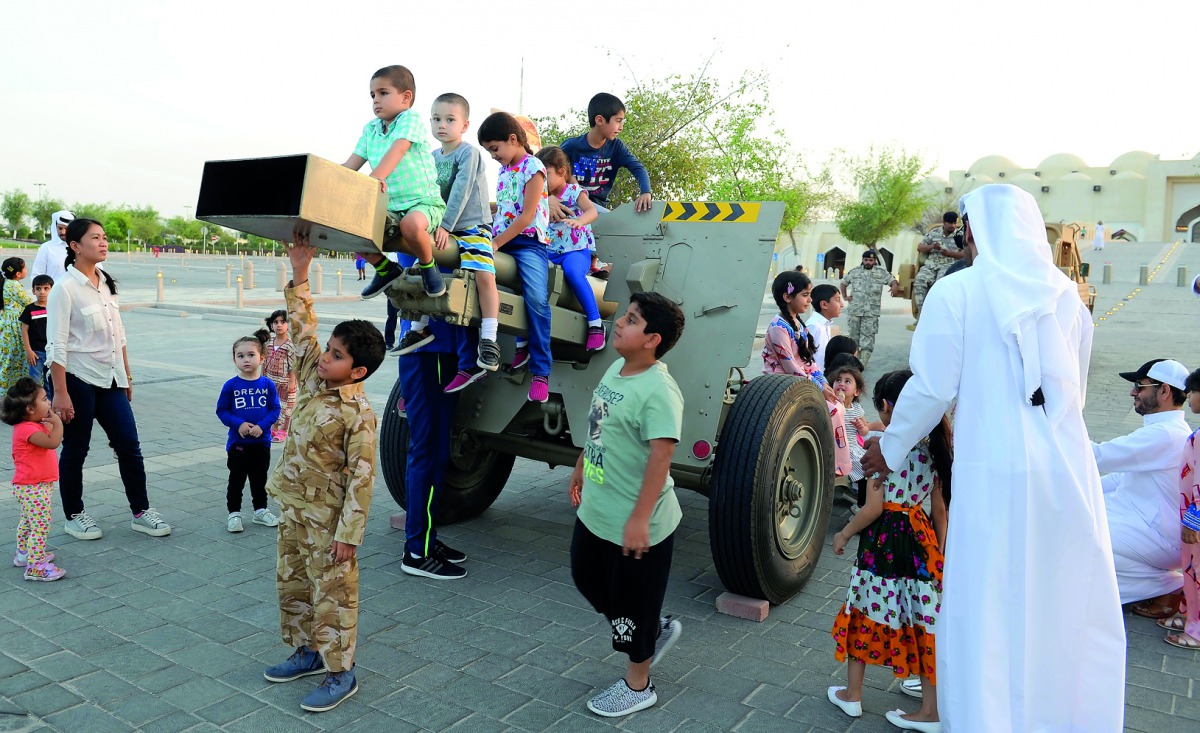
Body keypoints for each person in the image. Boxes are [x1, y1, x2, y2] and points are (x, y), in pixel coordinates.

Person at [861, 184, 1125, 730]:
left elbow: (931, 387)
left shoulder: (958, 292)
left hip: (993, 470)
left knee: (988, 597)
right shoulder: (1066, 296)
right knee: (1055, 593)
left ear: (977, 232)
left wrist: (889, 447)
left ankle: (986, 716)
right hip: (1064, 469)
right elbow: (1070, 392)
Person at [262, 233, 385, 713]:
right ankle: (308, 651)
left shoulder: (359, 414)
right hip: (294, 507)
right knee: (292, 583)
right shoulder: (315, 376)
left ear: (358, 372)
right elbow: (303, 328)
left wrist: (349, 534)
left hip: (330, 522)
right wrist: (299, 271)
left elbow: (362, 477)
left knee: (333, 593)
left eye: (337, 355)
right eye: (330, 350)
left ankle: (341, 671)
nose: (326, 356)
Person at [569, 291, 686, 718]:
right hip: (597, 512)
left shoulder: (660, 390)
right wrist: (582, 460)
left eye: (632, 320)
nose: (619, 322)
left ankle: (640, 684)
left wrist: (639, 518)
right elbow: (599, 423)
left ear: (652, 339)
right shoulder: (618, 367)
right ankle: (649, 630)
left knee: (631, 608)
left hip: (641, 526)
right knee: (587, 579)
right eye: (624, 316)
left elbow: (662, 456)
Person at [828, 369, 948, 732]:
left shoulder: (882, 443)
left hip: (884, 542)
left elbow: (873, 508)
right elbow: (940, 509)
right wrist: (940, 552)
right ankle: (931, 709)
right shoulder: (937, 445)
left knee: (864, 608)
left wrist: (844, 533)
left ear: (884, 405)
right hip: (921, 538)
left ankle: (853, 695)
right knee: (923, 618)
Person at [47, 219, 172, 541]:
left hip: (112, 378)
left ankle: (141, 511)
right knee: (77, 448)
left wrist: (127, 375)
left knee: (129, 446)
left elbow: (120, 335)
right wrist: (60, 393)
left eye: (104, 238)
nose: (103, 243)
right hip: (78, 379)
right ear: (75, 246)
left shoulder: (106, 283)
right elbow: (57, 345)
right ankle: (74, 515)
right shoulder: (64, 288)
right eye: (95, 238)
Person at [397, 92, 502, 387]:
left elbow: (462, 191)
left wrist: (443, 224)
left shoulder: (469, 153)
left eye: (450, 119)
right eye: (437, 119)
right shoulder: (431, 157)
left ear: (465, 125)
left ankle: (489, 338)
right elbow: (428, 192)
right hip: (443, 225)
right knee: (422, 268)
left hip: (471, 226)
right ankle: (420, 326)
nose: (442, 125)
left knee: (484, 275)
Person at [395, 251, 473, 580]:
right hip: (429, 353)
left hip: (442, 352)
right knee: (426, 452)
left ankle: (427, 538)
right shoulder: (422, 227)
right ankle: (417, 550)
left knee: (437, 452)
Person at [341, 65, 448, 301]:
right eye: (372, 95)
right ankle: (384, 268)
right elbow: (351, 164)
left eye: (383, 93)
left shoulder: (409, 119)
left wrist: (375, 178)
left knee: (411, 225)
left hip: (422, 203)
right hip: (389, 206)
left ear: (406, 97)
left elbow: (398, 149)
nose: (376, 100)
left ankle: (428, 266)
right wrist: (327, 182)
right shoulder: (371, 129)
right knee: (344, 223)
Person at [1091, 358, 1191, 611]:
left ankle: (1168, 586)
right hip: (1140, 523)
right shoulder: (1164, 431)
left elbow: (1097, 456)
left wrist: (1055, 425)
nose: (1132, 392)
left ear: (1164, 391)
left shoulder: (1166, 434)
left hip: (1157, 534)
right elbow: (1119, 478)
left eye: (1140, 385)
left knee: (1077, 532)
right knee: (1066, 519)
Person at [477, 111, 553, 403]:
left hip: (527, 243)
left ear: (512, 139)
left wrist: (496, 243)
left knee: (536, 300)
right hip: (501, 239)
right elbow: (504, 208)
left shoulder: (533, 167)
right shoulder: (504, 169)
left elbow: (527, 215)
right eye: (489, 151)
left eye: (495, 149)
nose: (494, 156)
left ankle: (541, 372)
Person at [763, 271, 849, 477]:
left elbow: (808, 361)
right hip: (782, 384)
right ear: (787, 297)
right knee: (833, 410)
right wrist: (819, 388)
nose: (810, 300)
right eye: (804, 294)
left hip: (799, 382)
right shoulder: (778, 328)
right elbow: (791, 366)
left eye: (809, 294)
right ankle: (832, 465)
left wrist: (824, 384)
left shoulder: (798, 325)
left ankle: (837, 464)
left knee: (837, 405)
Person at [536, 145, 605, 351]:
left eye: (546, 174)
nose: (542, 181)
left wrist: (580, 221)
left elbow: (592, 211)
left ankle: (595, 324)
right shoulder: (540, 196)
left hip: (575, 249)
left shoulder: (574, 191)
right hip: (550, 250)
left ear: (562, 172)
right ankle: (523, 340)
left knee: (574, 274)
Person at [215, 336, 281, 533]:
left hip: (261, 442)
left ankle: (260, 510)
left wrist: (263, 425)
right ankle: (234, 514)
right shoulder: (230, 386)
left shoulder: (267, 385)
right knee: (236, 480)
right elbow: (222, 410)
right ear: (234, 359)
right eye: (240, 355)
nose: (246, 359)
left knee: (259, 479)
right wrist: (239, 424)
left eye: (251, 355)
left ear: (261, 358)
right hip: (238, 444)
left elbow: (275, 409)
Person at [3, 377, 65, 581]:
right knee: (40, 524)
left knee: (29, 521)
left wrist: (48, 421)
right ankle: (36, 565)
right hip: (33, 487)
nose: (49, 403)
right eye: (45, 399)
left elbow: (47, 434)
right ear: (30, 409)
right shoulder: (27, 429)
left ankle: (24, 554)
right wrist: (57, 423)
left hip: (34, 485)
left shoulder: (32, 425)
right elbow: (53, 442)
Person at [558, 93, 652, 213]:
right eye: (618, 121)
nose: (621, 127)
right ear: (599, 120)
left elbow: (638, 168)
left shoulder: (616, 147)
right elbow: (549, 172)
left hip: (598, 210)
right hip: (570, 206)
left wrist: (646, 192)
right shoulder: (571, 147)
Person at [1161, 367, 1200, 648]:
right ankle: (1190, 615)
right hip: (1189, 513)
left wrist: (1194, 520)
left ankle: (1197, 630)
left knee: (1198, 570)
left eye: (1193, 392)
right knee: (1191, 568)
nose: (1189, 397)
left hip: (1195, 518)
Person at [839, 250, 900, 368]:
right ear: (862, 260)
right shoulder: (855, 272)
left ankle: (862, 363)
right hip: (855, 311)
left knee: (868, 338)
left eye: (870, 260)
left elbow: (892, 280)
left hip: (871, 313)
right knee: (853, 337)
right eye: (866, 260)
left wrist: (894, 286)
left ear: (875, 261)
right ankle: (853, 361)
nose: (868, 262)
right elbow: (843, 283)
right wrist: (845, 296)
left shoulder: (881, 272)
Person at [911, 212, 965, 320]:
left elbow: (965, 254)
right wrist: (932, 246)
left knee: (939, 285)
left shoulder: (960, 235)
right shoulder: (934, 233)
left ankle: (937, 315)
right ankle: (922, 315)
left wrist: (949, 253)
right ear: (944, 223)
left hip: (948, 265)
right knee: (920, 281)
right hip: (931, 265)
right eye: (950, 223)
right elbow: (920, 247)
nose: (953, 226)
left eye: (955, 223)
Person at [830, 364, 869, 509]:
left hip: (853, 447)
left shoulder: (857, 409)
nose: (841, 383)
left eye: (847, 381)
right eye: (838, 380)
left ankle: (862, 504)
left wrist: (861, 427)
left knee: (867, 467)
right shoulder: (831, 405)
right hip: (838, 447)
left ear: (856, 391)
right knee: (861, 467)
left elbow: (865, 431)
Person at [258, 310, 296, 443]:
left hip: (285, 382)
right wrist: (262, 377)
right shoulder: (268, 343)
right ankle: (273, 428)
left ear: (288, 325)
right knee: (272, 405)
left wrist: (292, 381)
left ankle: (283, 430)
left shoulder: (290, 345)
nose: (279, 325)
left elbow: (294, 366)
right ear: (271, 325)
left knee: (285, 407)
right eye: (276, 322)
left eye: (283, 322)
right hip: (270, 381)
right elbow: (264, 362)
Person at [1, 258, 34, 391]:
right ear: (18, 274)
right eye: (25, 267)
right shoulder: (13, 285)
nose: (27, 270)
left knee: (9, 357)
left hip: (7, 322)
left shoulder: (9, 283)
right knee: (14, 357)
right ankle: (7, 389)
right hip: (13, 325)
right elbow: (27, 302)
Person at [19, 275, 53, 390]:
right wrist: (28, 350)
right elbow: (24, 330)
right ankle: (37, 404)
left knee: (50, 381)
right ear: (33, 291)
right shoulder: (30, 309)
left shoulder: (55, 308)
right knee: (35, 381)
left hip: (52, 351)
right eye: (38, 289)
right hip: (36, 353)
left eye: (46, 288)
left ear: (52, 290)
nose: (42, 292)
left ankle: (49, 405)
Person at [31, 210, 74, 282]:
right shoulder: (47, 247)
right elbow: (37, 274)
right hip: (53, 292)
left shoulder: (82, 247)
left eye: (66, 228)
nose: (63, 232)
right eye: (60, 228)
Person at [807, 283, 844, 368]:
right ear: (824, 304)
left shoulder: (825, 325)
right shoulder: (813, 326)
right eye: (837, 300)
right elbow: (805, 358)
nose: (842, 305)